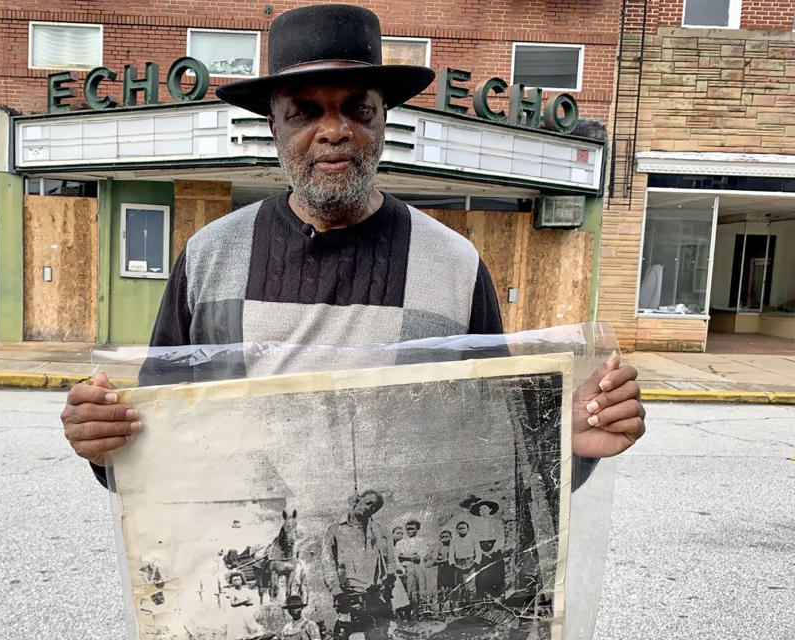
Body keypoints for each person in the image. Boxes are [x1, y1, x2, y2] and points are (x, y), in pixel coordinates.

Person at [60, 4, 646, 487]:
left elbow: (489, 449)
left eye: (357, 110)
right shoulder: (210, 258)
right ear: (274, 126)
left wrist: (568, 446)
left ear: (383, 117)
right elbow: (159, 437)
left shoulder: (453, 265)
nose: (335, 131)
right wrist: (106, 444)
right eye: (306, 112)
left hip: (397, 611)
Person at [321, 490, 398, 639]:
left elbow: (391, 561)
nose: (371, 508)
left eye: (374, 508)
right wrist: (337, 592)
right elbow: (328, 563)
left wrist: (389, 584)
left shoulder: (381, 531)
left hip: (377, 597)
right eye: (368, 503)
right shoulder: (335, 529)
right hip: (348, 597)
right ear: (358, 500)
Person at [394, 519, 427, 609]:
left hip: (418, 568)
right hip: (405, 569)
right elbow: (397, 557)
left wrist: (404, 556)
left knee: (419, 589)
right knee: (407, 590)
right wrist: (410, 557)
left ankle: (419, 610)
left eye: (412, 529)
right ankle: (408, 611)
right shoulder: (401, 543)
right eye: (408, 529)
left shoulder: (421, 541)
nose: (409, 531)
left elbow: (419, 557)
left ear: (417, 529)